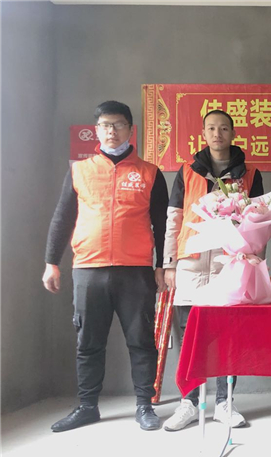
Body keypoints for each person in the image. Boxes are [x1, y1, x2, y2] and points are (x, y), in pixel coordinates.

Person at [43, 100, 168, 432]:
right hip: (89, 268)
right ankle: (87, 406)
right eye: (105, 126)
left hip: (135, 270)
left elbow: (162, 222)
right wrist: (51, 262)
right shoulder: (80, 171)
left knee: (142, 340)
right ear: (96, 131)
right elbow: (62, 218)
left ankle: (145, 406)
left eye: (118, 125)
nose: (112, 131)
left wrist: (162, 264)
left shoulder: (149, 172)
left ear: (130, 129)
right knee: (88, 342)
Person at [162, 109, 264, 432]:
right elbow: (174, 218)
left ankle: (224, 402)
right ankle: (188, 402)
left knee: (227, 335)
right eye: (211, 128)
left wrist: (253, 258)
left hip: (229, 263)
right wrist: (169, 264)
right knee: (188, 336)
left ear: (233, 133)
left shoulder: (249, 173)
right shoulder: (187, 171)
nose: (217, 134)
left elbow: (258, 222)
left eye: (223, 128)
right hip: (191, 263)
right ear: (203, 134)